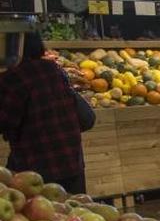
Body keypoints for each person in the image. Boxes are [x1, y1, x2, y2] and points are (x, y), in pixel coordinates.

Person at [0, 32, 95, 193]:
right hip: (71, 161)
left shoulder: (13, 78)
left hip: (35, 167)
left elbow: (4, 122)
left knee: (40, 214)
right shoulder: (54, 69)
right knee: (77, 211)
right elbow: (86, 118)